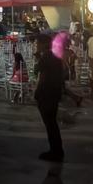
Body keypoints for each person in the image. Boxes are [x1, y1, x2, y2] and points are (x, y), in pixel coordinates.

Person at [33, 34, 65, 162]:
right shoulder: (54, 55)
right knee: (52, 124)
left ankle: (55, 151)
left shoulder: (47, 56)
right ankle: (57, 150)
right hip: (54, 92)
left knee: (50, 124)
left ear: (43, 44)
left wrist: (38, 58)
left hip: (47, 93)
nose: (36, 45)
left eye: (37, 43)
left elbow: (36, 70)